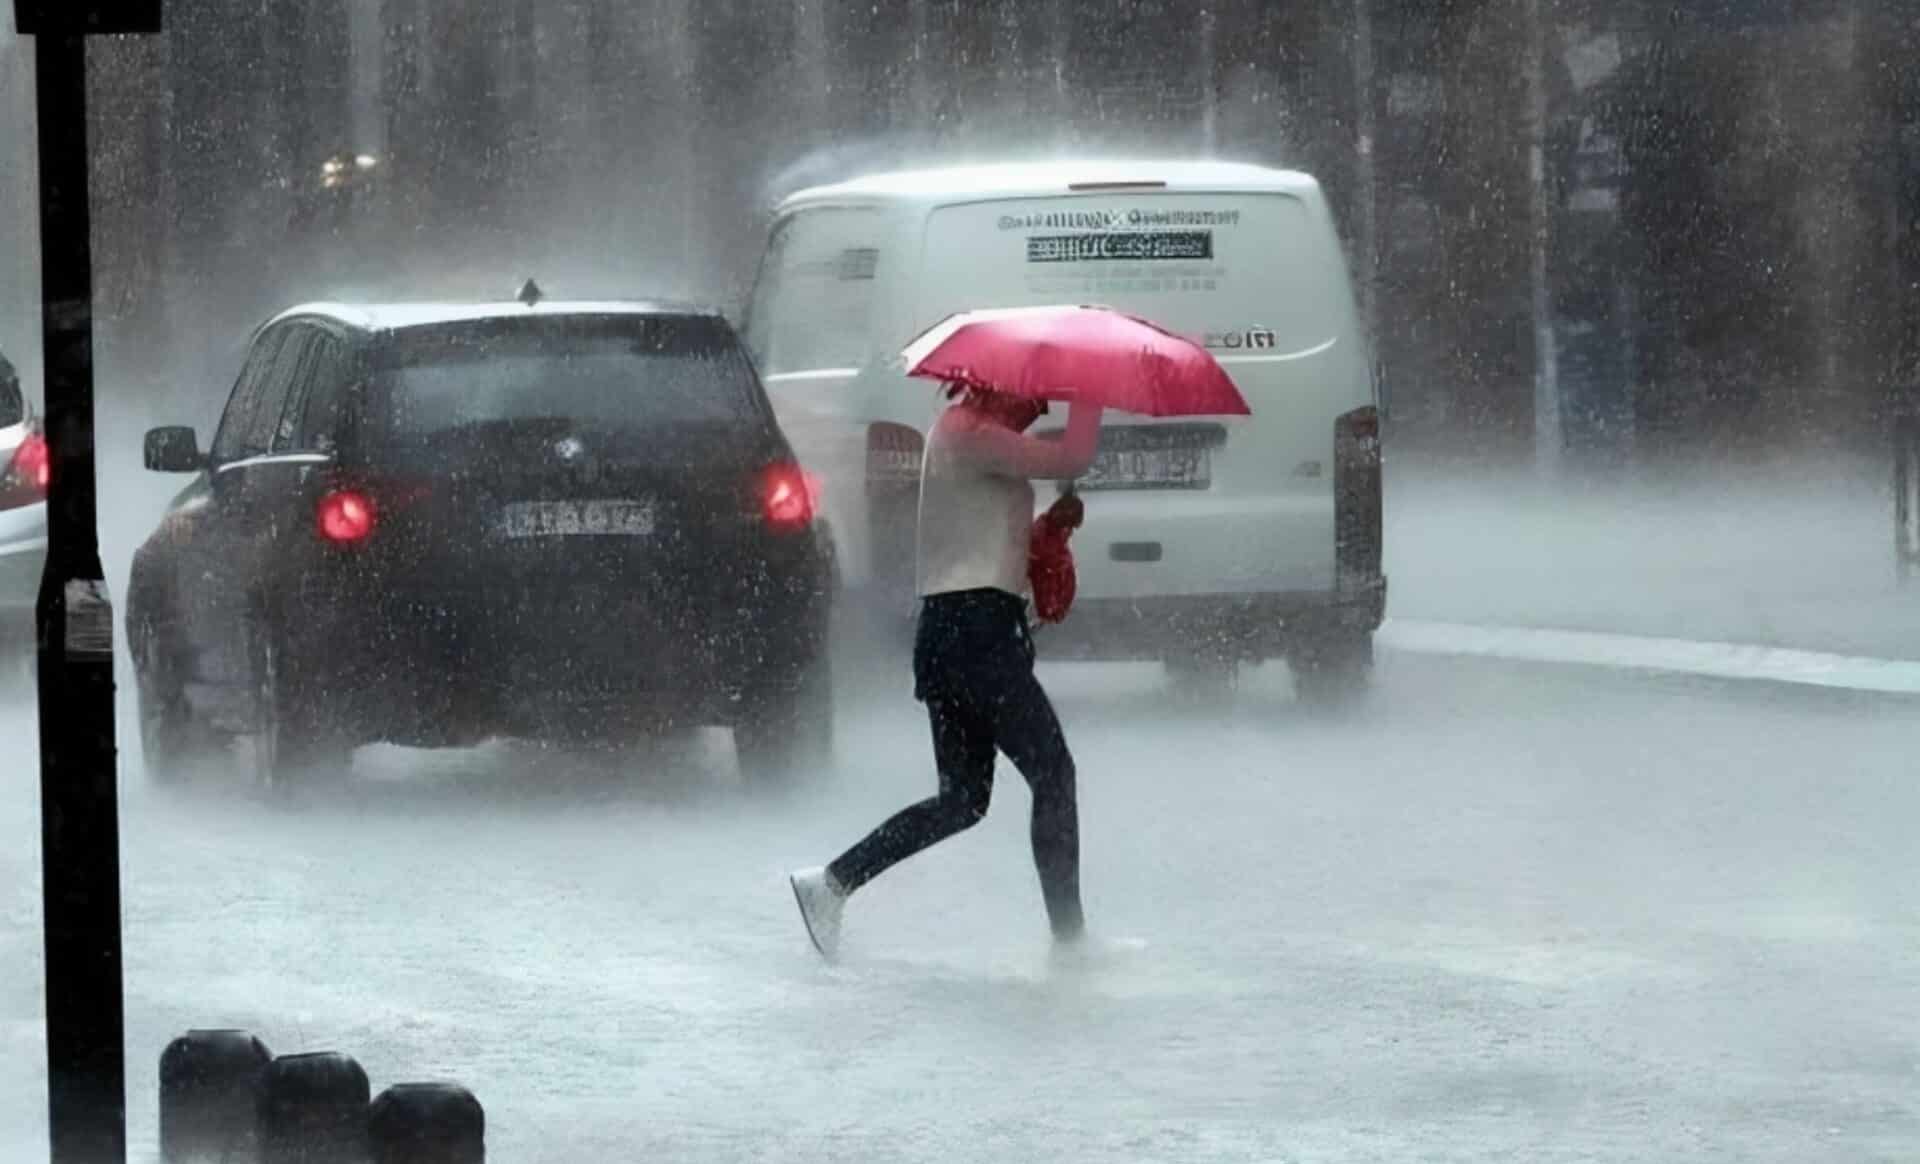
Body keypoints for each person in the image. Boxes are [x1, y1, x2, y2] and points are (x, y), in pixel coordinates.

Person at [789, 383, 1105, 959]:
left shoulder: (966, 437)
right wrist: (1094, 393)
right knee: (1054, 775)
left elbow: (982, 542)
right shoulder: (972, 434)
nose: (1038, 412)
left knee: (961, 799)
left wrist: (1050, 528)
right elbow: (1072, 457)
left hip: (953, 631)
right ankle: (1071, 942)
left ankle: (831, 884)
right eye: (1033, 401)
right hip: (978, 632)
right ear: (997, 386)